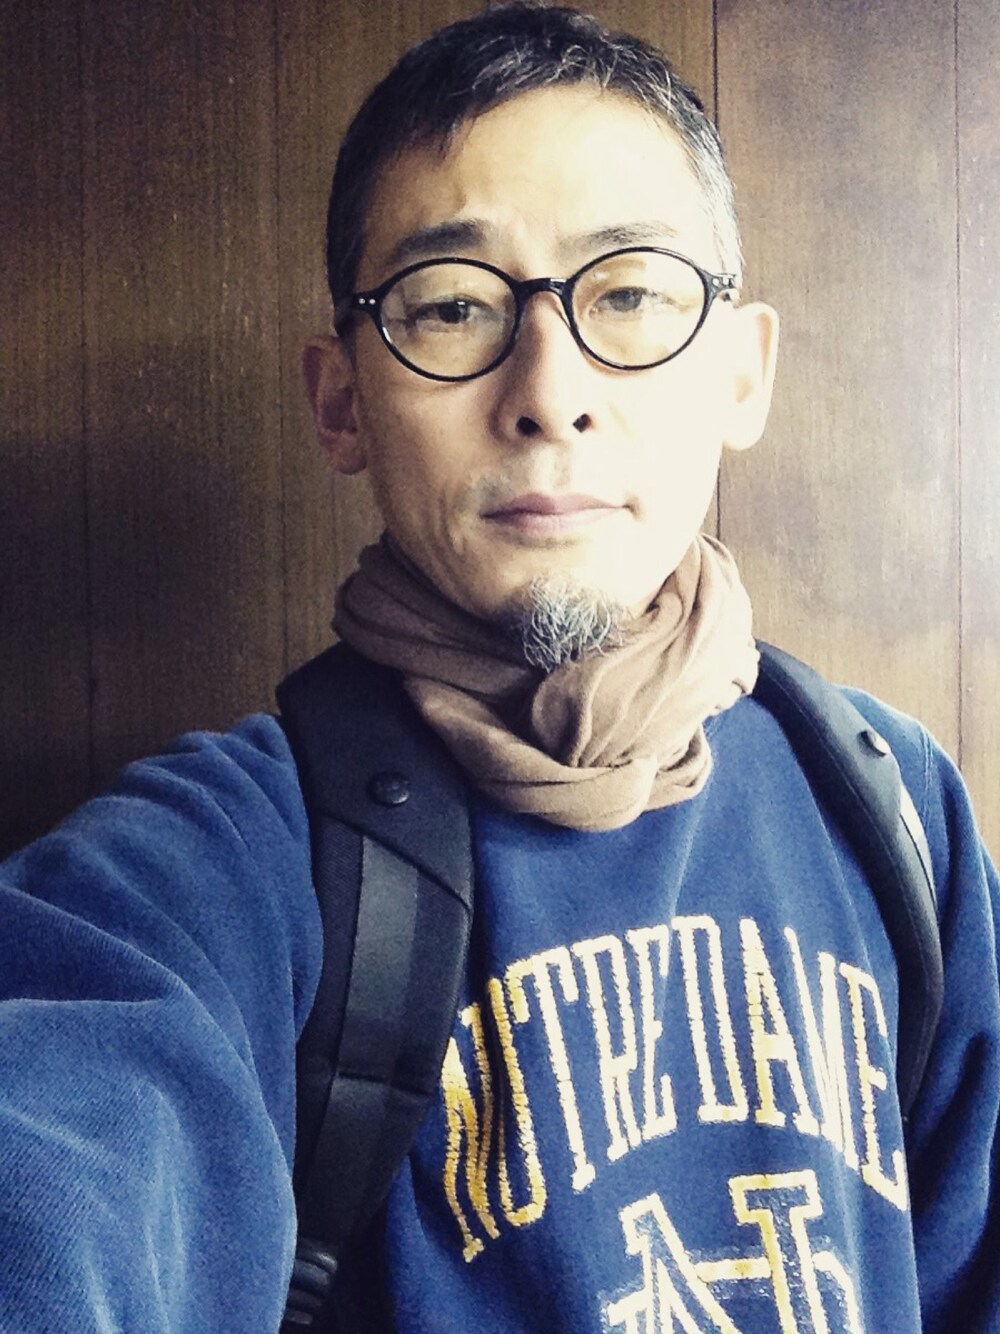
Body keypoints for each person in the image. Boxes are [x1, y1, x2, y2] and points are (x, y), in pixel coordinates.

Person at [1, 5, 997, 1331]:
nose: (548, 390)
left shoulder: (894, 810)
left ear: (742, 374)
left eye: (630, 294)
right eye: (454, 306)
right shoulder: (225, 863)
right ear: (343, 401)